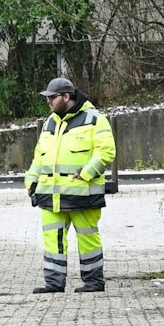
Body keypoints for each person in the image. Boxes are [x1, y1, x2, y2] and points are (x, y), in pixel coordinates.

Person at [23, 76, 116, 294]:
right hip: (50, 195)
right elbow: (39, 156)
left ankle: (94, 282)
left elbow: (106, 151)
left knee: (87, 238)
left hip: (83, 194)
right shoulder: (50, 122)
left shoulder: (95, 119)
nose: (49, 102)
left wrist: (86, 173)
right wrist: (31, 181)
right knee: (52, 240)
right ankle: (53, 283)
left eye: (52, 98)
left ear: (67, 97)